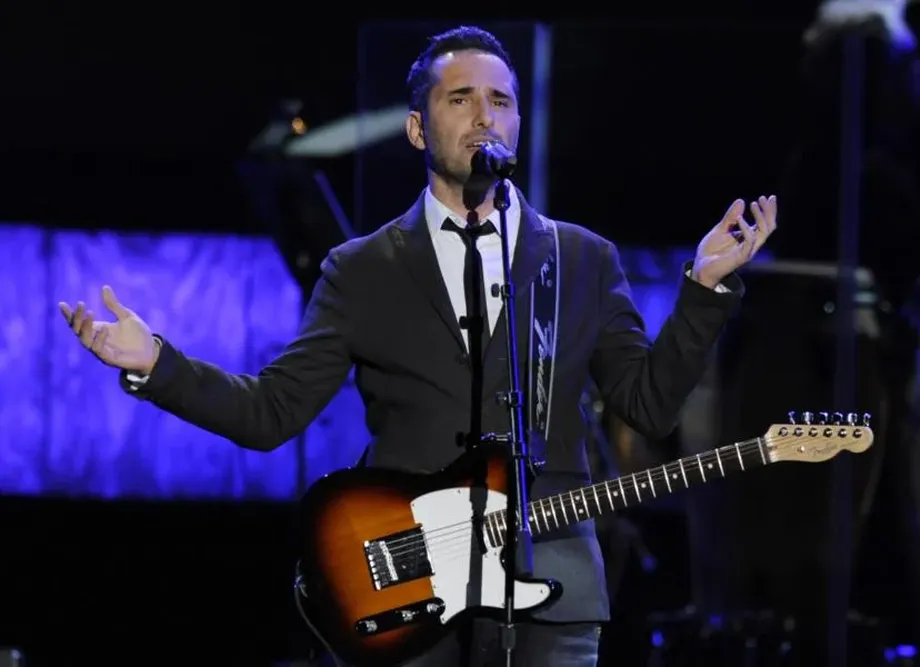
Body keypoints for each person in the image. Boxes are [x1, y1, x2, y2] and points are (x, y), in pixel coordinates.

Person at [58, 25, 776, 667]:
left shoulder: (580, 258)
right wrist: (157, 363)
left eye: (501, 100)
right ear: (416, 128)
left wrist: (704, 291)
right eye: (461, 98)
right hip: (408, 580)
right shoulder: (363, 268)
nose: (484, 114)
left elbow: (648, 405)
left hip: (552, 582)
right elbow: (270, 412)